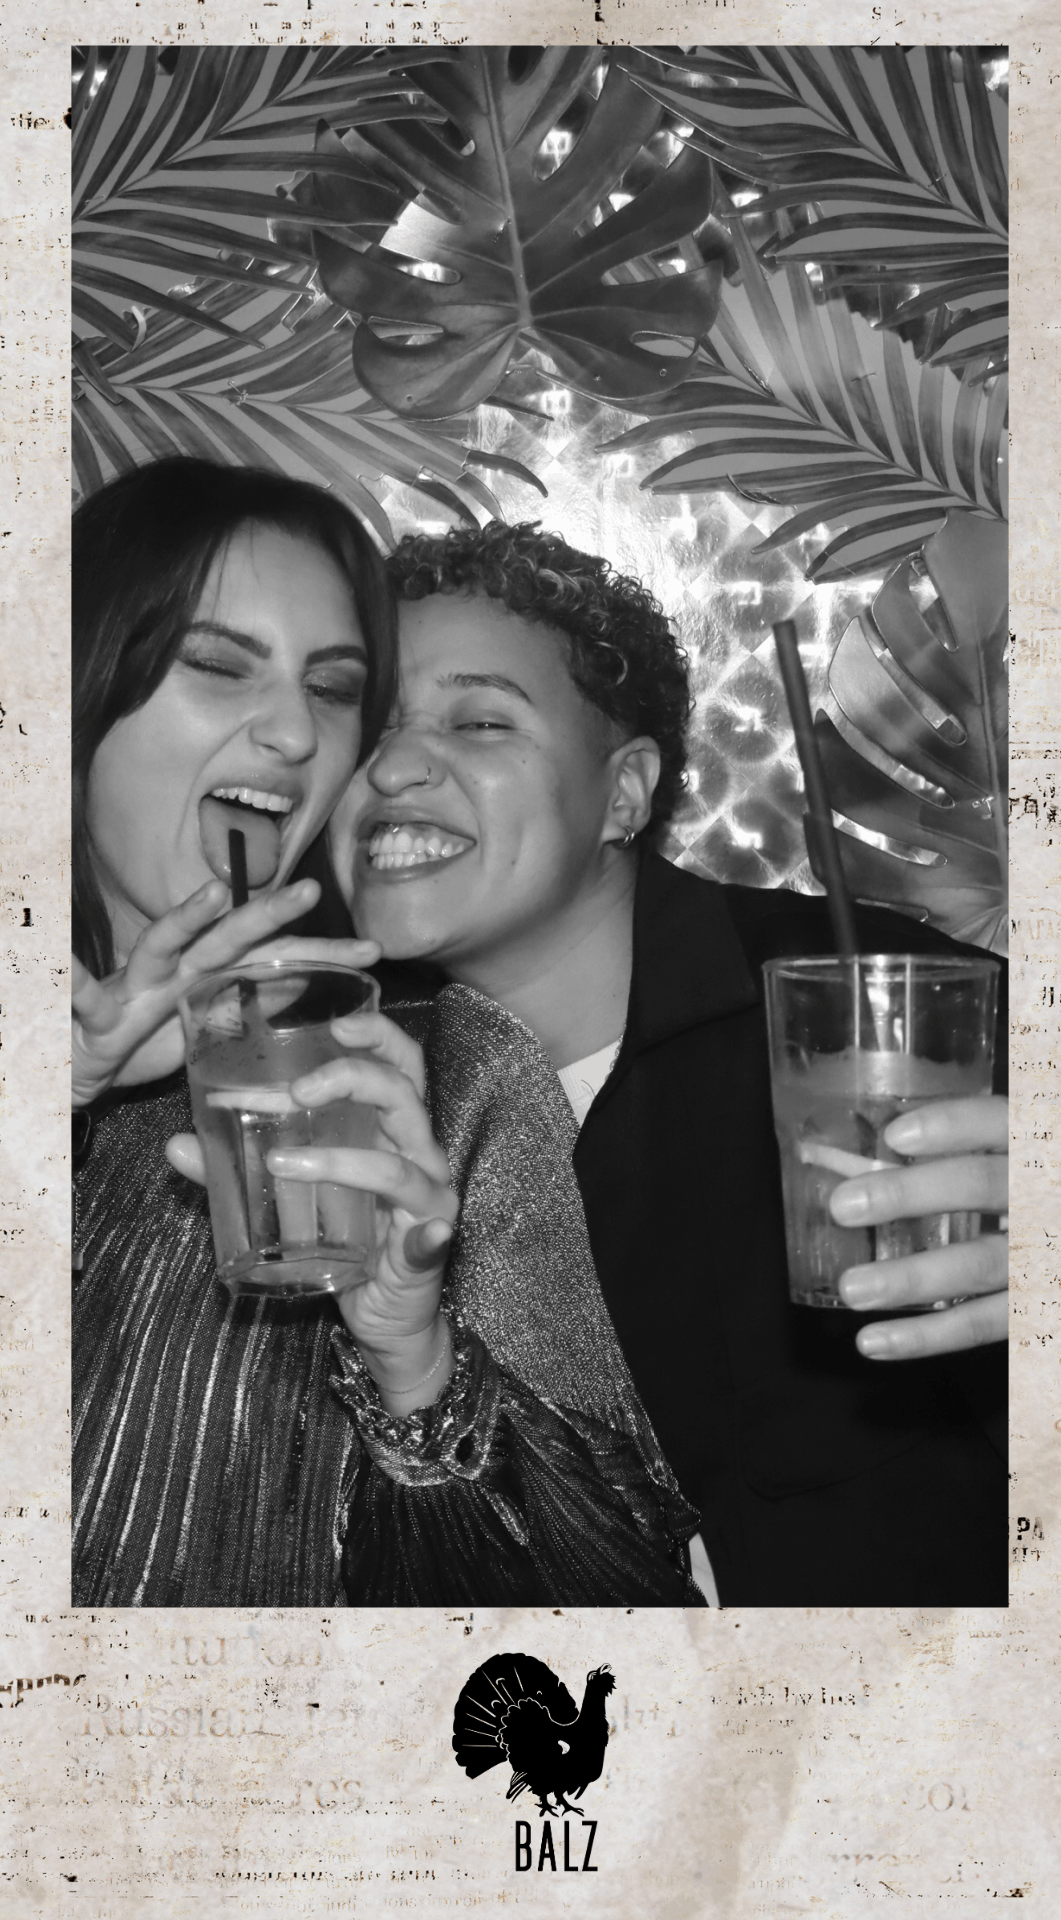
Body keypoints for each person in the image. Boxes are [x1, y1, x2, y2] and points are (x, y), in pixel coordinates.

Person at [249, 519, 1007, 1607]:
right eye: (372, 726)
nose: (396, 764)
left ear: (624, 794)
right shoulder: (328, 1092)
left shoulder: (895, 1010)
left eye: (480, 719)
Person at [72, 460, 694, 1608]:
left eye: (331, 688)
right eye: (220, 664)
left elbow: (630, 1616)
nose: (296, 733)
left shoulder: (424, 1082)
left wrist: (416, 1368)